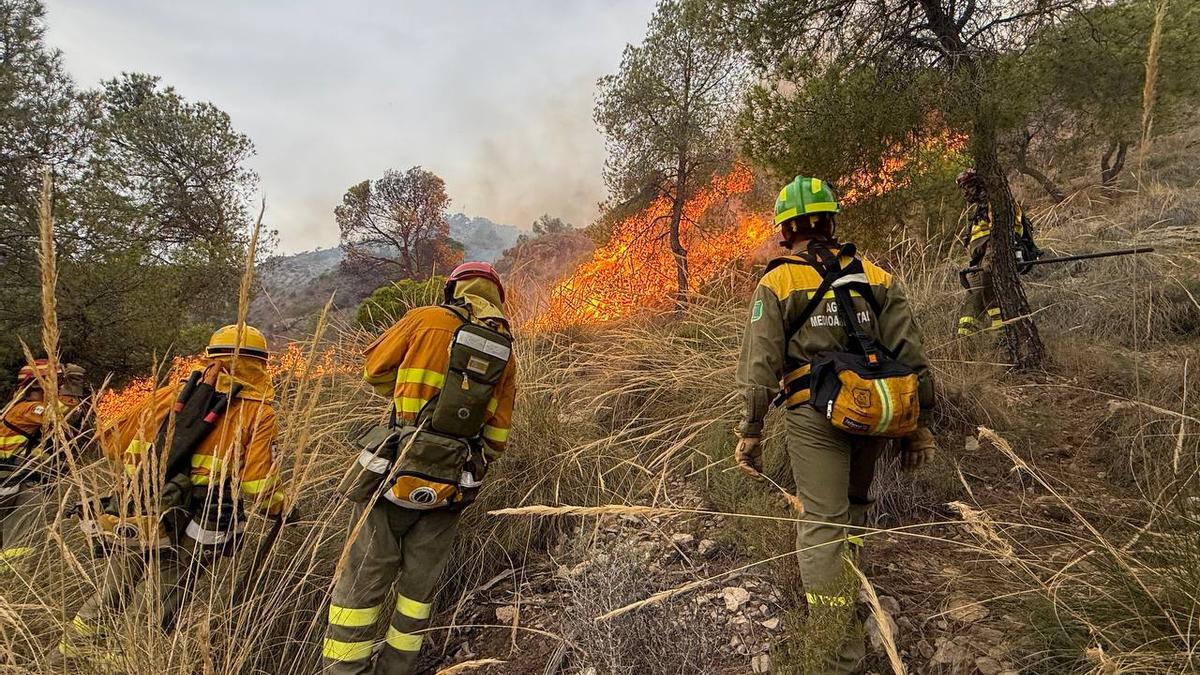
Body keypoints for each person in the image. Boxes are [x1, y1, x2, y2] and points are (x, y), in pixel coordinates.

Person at [734, 176, 938, 674]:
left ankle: (835, 651)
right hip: (874, 412)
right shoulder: (876, 276)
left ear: (786, 231)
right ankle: (846, 604)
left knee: (822, 522)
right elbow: (911, 356)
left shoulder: (777, 282)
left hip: (813, 414)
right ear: (831, 221)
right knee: (853, 512)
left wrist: (751, 428)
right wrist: (919, 425)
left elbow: (759, 364)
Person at [324, 262, 518, 675]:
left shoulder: (425, 319)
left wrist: (404, 397)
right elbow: (497, 441)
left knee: (363, 578)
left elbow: (373, 370)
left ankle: (345, 669)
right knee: (418, 590)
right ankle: (397, 667)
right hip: (452, 484)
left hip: (392, 471)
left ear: (453, 289)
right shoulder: (504, 348)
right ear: (496, 297)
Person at [59, 324, 286, 658]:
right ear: (262, 363)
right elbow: (256, 483)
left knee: (114, 588)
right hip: (199, 520)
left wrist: (140, 480)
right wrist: (280, 508)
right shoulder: (259, 410)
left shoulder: (173, 394)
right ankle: (127, 661)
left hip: (142, 505)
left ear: (210, 357)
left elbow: (113, 440)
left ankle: (67, 655)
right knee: (165, 594)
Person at [0, 359, 86, 568]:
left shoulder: (18, 408)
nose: (59, 389)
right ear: (39, 385)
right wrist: (73, 386)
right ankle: (14, 575)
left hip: (12, 484)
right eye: (57, 384)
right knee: (19, 542)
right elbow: (63, 414)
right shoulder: (28, 409)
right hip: (13, 486)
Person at [955, 167, 1043, 336]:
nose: (965, 192)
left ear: (980, 185)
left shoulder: (997, 202)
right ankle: (965, 342)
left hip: (992, 260)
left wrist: (990, 256)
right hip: (980, 261)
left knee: (988, 297)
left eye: (968, 186)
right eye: (963, 188)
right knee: (977, 299)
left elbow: (1002, 232)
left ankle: (1001, 337)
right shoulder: (980, 208)